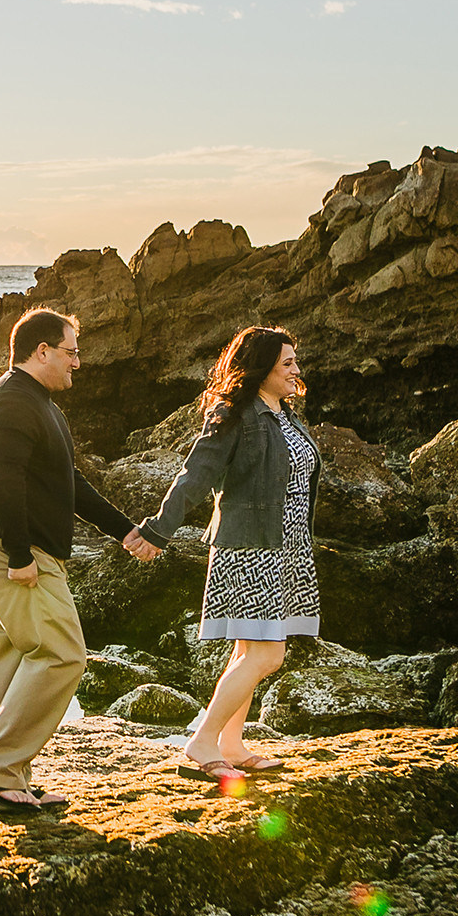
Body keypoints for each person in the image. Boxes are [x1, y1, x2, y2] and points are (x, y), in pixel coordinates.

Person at [0, 307, 162, 809]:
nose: (79, 362)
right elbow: (1, 484)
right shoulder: (11, 401)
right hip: (11, 551)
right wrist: (19, 554)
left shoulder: (40, 403)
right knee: (63, 654)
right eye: (71, 352)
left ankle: (10, 780)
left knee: (15, 658)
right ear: (42, 350)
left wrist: (125, 531)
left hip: (10, 547)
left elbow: (71, 487)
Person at [136, 325, 320, 776]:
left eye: (295, 362)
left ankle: (232, 745)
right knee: (266, 655)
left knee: (248, 652)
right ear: (261, 370)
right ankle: (202, 742)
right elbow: (194, 476)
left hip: (289, 549)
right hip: (250, 548)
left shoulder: (285, 416)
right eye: (287, 364)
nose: (296, 370)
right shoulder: (235, 415)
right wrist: (158, 531)